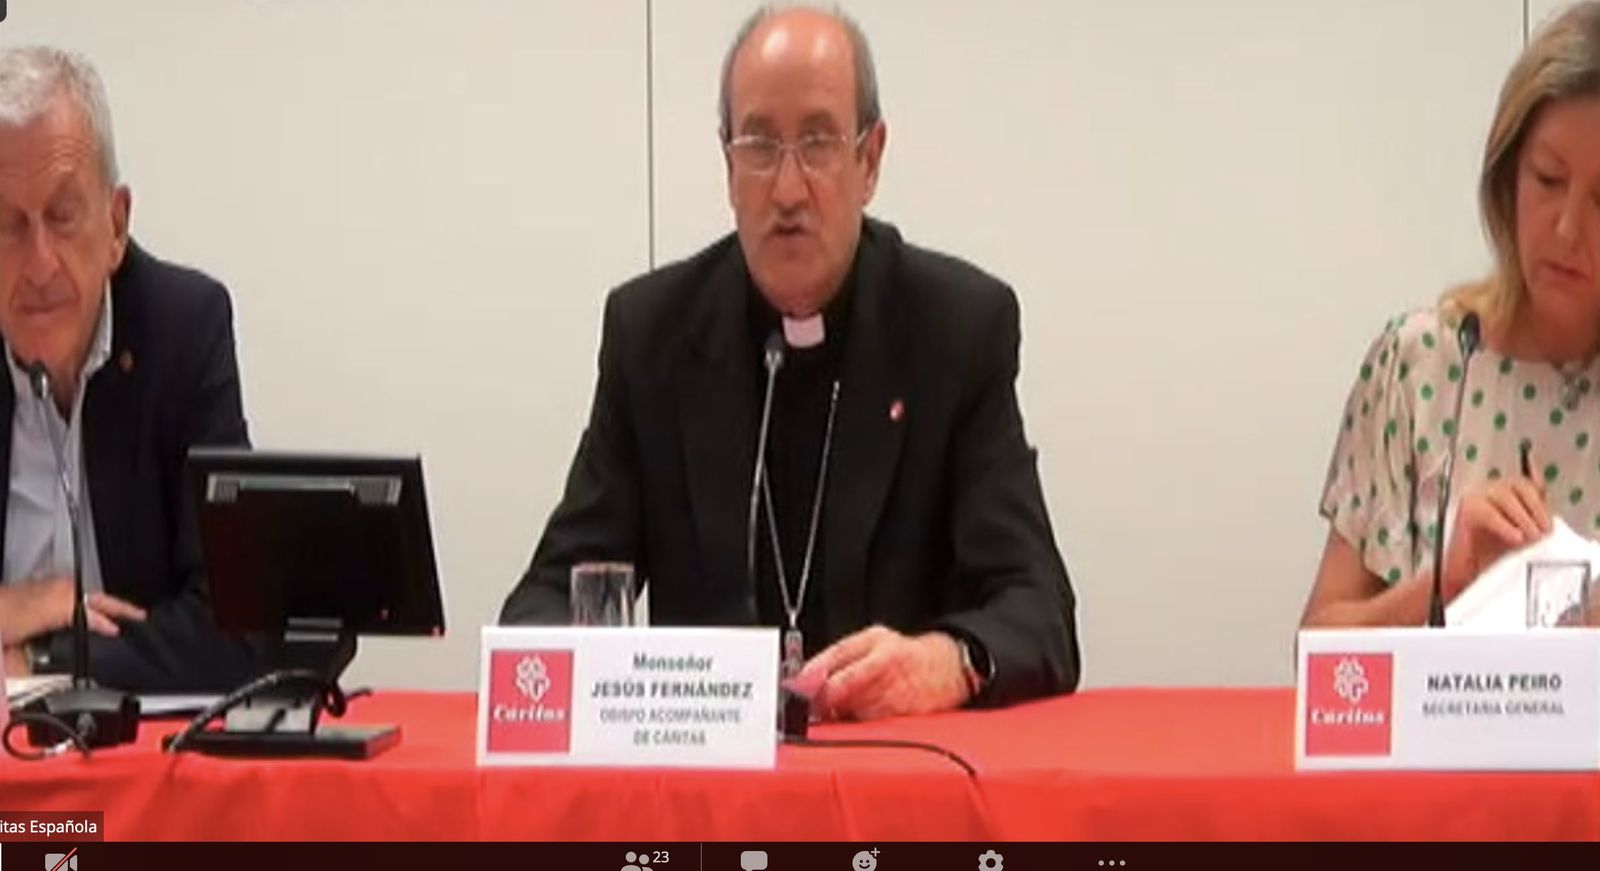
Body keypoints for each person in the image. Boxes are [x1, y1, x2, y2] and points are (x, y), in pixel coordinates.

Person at [501, 3, 1079, 719]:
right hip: (705, 799)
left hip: (900, 789)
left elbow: (1040, 609)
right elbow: (545, 600)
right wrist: (625, 681)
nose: (787, 189)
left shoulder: (957, 330)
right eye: (759, 145)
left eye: (818, 142)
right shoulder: (651, 336)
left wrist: (948, 658)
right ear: (727, 165)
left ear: (870, 160)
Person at [1303, 3, 1600, 627]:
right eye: (1547, 180)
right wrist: (1450, 578)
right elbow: (1319, 661)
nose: (1569, 228)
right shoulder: (1418, 365)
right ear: (1507, 176)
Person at [0, 46, 259, 691]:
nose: (38, 264)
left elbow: (234, 623)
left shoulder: (183, 329)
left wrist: (42, 662)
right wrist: (16, 608)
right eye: (5, 225)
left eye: (62, 218)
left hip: (136, 761)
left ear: (116, 225)